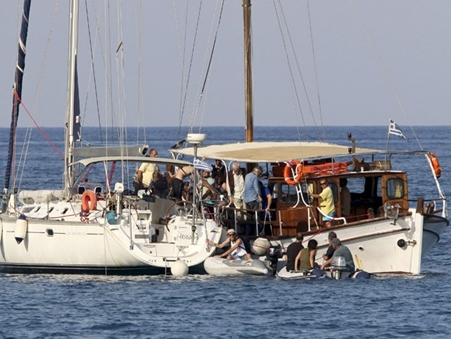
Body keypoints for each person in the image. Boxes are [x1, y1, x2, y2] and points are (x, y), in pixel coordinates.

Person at [243, 165, 263, 234]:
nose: (259, 175)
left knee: (249, 217)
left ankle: (248, 233)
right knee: (256, 216)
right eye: (259, 173)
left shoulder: (247, 176)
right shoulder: (255, 177)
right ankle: (257, 232)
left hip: (246, 199)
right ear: (257, 172)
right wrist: (260, 196)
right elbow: (257, 188)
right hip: (253, 199)